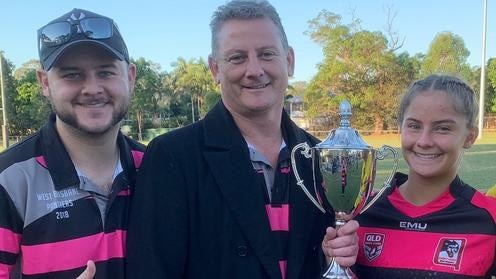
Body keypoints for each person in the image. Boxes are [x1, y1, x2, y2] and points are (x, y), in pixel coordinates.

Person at [126, 1, 358, 278]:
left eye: (267, 54)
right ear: (215, 69)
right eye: (237, 57)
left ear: (290, 61)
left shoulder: (319, 158)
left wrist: (333, 255)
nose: (254, 69)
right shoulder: (173, 157)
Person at [0, 8, 144, 278]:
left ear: (131, 77)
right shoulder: (8, 180)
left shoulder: (159, 168)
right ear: (45, 83)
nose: (92, 89)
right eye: (72, 75)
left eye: (105, 72)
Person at [353, 74, 496, 278]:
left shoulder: (489, 218)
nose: (424, 140)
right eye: (414, 126)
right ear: (400, 128)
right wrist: (330, 258)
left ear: (470, 137)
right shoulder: (362, 211)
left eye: (443, 128)